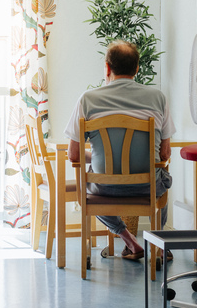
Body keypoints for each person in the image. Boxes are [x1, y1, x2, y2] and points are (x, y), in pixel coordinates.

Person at [65, 41, 174, 260]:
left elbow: (74, 156)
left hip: (104, 188)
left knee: (87, 189)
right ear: (137, 68)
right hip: (147, 187)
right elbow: (164, 154)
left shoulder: (88, 99)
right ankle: (159, 246)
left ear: (107, 67)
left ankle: (129, 240)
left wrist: (102, 159)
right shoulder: (158, 98)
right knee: (163, 179)